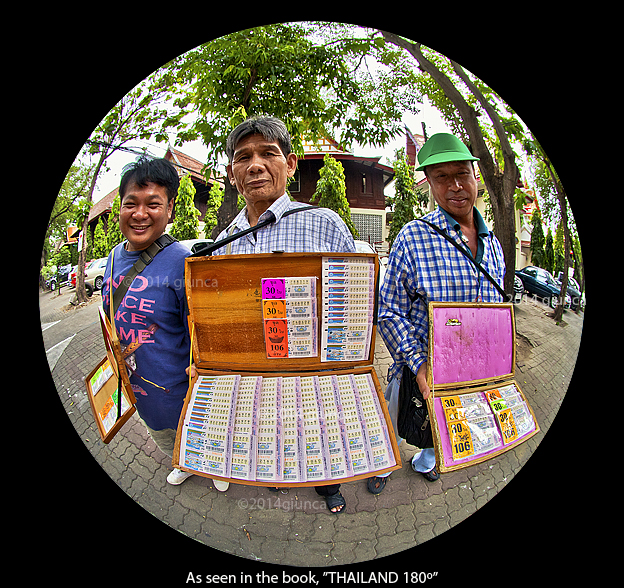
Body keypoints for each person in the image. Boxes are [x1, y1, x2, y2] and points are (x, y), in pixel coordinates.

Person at [207, 116, 356, 512]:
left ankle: (329, 485)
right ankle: (277, 474)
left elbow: (353, 303)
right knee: (271, 431)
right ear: (233, 174)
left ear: (290, 164)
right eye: (243, 158)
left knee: (321, 432)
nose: (255, 165)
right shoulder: (224, 242)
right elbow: (221, 317)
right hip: (257, 374)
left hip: (317, 373)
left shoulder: (323, 223)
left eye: (267, 153)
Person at [367, 133, 506, 495]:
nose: (455, 186)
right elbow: (388, 311)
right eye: (442, 177)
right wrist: (420, 363)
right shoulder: (413, 237)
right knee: (396, 420)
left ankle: (429, 460)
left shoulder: (493, 243)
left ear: (476, 175)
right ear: (429, 183)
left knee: (440, 429)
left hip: (469, 373)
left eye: (462, 173)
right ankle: (381, 464)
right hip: (420, 369)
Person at [100, 158, 210, 487]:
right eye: (130, 203)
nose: (139, 213)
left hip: (177, 395)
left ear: (170, 208)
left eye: (153, 204)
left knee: (193, 438)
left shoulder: (183, 263)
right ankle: (184, 463)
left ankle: (208, 463)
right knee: (165, 443)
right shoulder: (114, 256)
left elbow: (201, 336)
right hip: (135, 392)